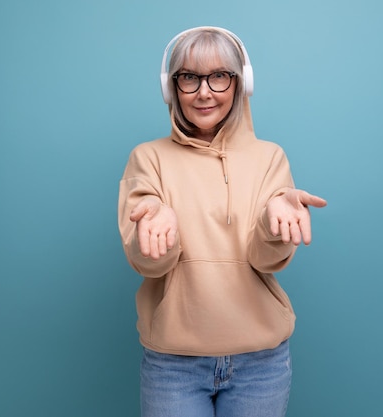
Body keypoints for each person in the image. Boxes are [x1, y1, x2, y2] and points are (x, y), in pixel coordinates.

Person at [117, 26, 327, 417]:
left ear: (240, 83)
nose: (204, 91)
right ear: (171, 87)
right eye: (189, 78)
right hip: (173, 365)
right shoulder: (148, 158)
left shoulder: (270, 158)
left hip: (261, 364)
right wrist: (163, 231)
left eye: (219, 76)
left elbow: (266, 260)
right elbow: (147, 263)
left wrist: (271, 226)